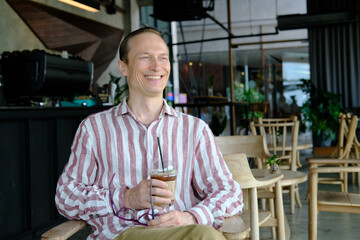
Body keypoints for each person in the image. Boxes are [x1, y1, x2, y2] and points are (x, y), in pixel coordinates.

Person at [55, 27, 243, 240]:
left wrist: (192, 217)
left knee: (202, 235)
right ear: (123, 67)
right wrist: (126, 197)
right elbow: (65, 196)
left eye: (163, 58)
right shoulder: (94, 128)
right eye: (145, 57)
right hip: (123, 233)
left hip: (183, 232)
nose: (156, 66)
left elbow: (231, 193)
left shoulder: (194, 129)